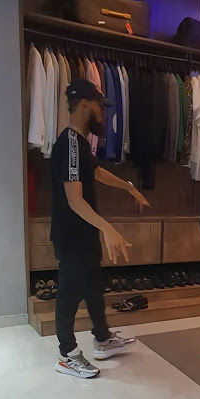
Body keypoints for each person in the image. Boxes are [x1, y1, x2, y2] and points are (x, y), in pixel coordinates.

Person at [51, 79, 150, 379]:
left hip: (84, 232)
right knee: (69, 294)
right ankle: (67, 355)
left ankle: (103, 339)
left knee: (94, 286)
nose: (104, 114)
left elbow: (96, 172)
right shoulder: (69, 144)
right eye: (100, 107)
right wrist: (108, 228)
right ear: (84, 104)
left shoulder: (80, 143)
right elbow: (74, 200)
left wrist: (129, 187)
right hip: (72, 236)